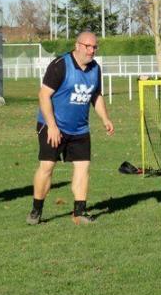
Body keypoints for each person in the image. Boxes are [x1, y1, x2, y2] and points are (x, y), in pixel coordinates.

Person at [26, 31, 114, 225]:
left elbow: (96, 96)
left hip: (80, 129)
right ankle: (36, 210)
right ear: (77, 45)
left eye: (94, 47)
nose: (91, 51)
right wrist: (52, 126)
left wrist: (105, 118)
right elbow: (43, 96)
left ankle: (79, 212)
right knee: (47, 167)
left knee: (83, 167)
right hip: (52, 125)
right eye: (87, 46)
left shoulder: (95, 69)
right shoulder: (60, 66)